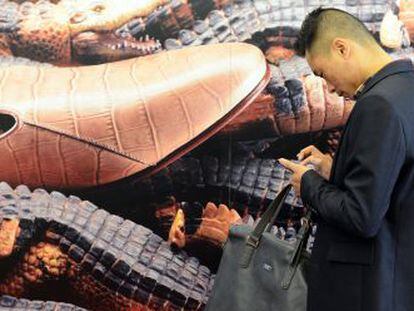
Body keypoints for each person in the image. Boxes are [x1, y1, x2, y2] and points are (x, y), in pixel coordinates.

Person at [278, 7, 414, 311]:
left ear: (341, 48)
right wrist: (332, 169)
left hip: (365, 291)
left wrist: (308, 184)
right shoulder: (406, 89)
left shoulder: (378, 104)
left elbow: (361, 216)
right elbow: (396, 187)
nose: (328, 88)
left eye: (323, 74)